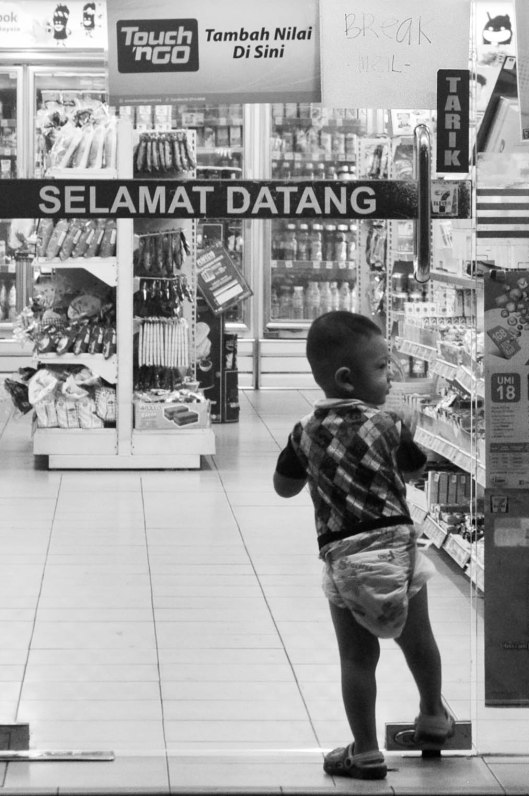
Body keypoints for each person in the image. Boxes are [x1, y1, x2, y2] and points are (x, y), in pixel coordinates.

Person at [273, 311, 454, 780]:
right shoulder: (389, 426)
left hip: (344, 559)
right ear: (347, 379)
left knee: (357, 659)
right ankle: (433, 714)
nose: (390, 376)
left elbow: (283, 486)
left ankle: (368, 750)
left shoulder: (303, 432)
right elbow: (415, 472)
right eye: (381, 368)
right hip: (397, 549)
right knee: (420, 642)